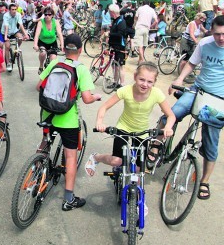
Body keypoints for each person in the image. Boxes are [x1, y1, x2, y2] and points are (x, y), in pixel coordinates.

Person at [85, 62, 175, 211]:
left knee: (140, 170)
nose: (145, 84)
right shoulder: (125, 91)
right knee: (116, 161)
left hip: (143, 133)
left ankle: (140, 199)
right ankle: (96, 157)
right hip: (123, 129)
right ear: (135, 77)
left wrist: (168, 127)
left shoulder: (157, 94)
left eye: (149, 81)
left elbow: (170, 115)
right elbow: (104, 107)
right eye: (141, 79)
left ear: (154, 82)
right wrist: (100, 122)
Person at [36, 34, 101, 211]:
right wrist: (96, 97)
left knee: (44, 143)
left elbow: (38, 86)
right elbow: (87, 99)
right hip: (67, 119)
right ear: (80, 50)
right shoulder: (81, 69)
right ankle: (69, 199)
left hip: (48, 114)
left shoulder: (54, 63)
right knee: (70, 157)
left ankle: (35, 172)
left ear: (65, 50)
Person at [167, 15, 224, 200]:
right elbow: (192, 63)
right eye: (217, 34)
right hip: (198, 90)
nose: (221, 38)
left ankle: (205, 181)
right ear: (211, 31)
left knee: (211, 143)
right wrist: (179, 79)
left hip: (218, 99)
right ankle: (156, 148)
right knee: (172, 114)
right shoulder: (205, 44)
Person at [33, 6, 64, 74]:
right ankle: (41, 66)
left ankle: (50, 73)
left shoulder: (56, 22)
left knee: (53, 59)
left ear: (52, 15)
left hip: (52, 42)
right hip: (42, 42)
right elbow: (37, 34)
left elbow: (59, 34)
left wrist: (62, 44)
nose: (47, 16)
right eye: (46, 14)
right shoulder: (41, 22)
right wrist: (35, 44)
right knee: (43, 53)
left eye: (49, 14)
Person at [2, 3, 29, 72]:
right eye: (12, 9)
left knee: (20, 38)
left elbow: (21, 25)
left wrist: (25, 34)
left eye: (15, 9)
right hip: (6, 32)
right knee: (7, 46)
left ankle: (16, 49)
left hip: (14, 31)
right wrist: (5, 37)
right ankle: (8, 63)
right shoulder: (6, 15)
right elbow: (6, 26)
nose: (14, 11)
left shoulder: (18, 15)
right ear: (9, 10)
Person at [107, 4, 127, 89]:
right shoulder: (115, 20)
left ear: (113, 12)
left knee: (120, 66)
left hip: (120, 47)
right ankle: (115, 82)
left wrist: (109, 33)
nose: (109, 14)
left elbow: (120, 34)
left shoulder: (121, 21)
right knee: (113, 65)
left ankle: (122, 84)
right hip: (113, 46)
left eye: (110, 12)